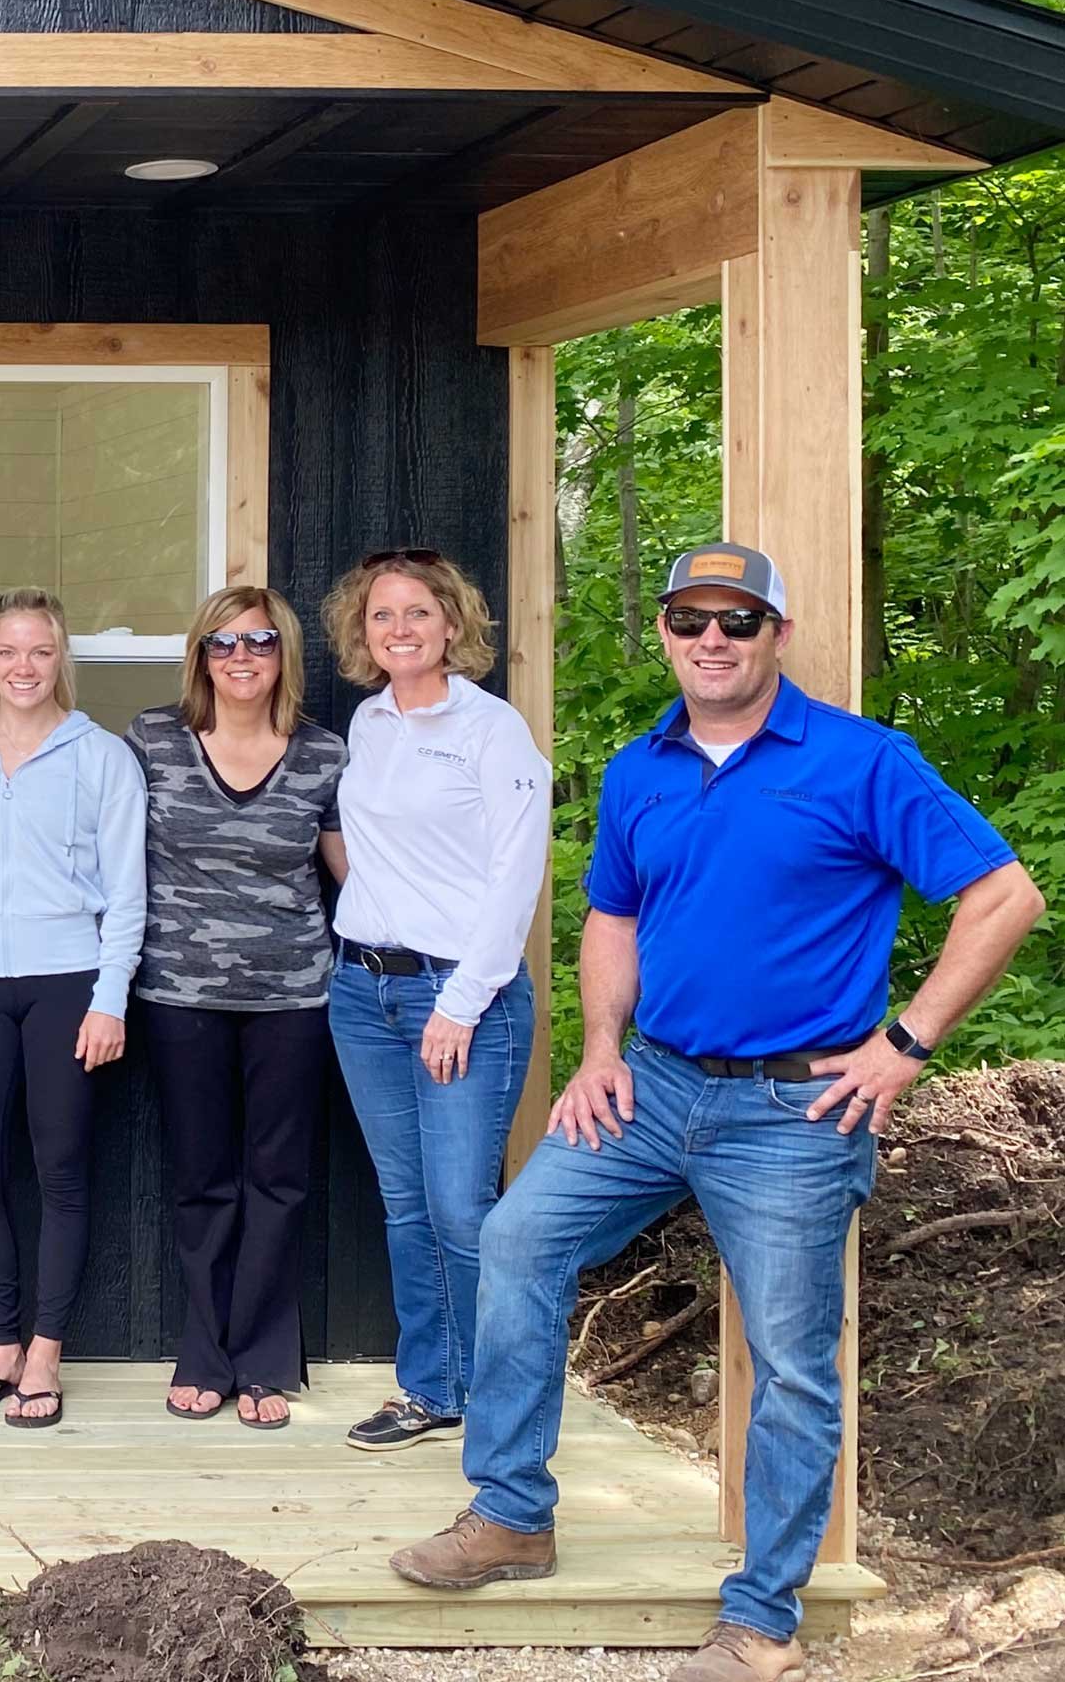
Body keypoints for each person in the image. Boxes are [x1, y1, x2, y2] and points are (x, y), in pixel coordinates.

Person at [391, 544, 1043, 1682]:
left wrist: (902, 1047)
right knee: (514, 1239)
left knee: (790, 1361)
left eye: (735, 620)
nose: (710, 638)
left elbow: (1003, 894)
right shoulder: (641, 765)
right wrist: (595, 1050)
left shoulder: (858, 760)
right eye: (688, 617)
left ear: (772, 633)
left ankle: (759, 1619)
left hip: (794, 1112)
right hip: (651, 1085)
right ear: (662, 631)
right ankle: (510, 1514)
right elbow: (610, 919)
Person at [321, 546, 549, 1454]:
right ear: (362, 633)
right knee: (406, 1204)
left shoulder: (493, 732)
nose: (400, 629)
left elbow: (515, 877)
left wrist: (460, 1001)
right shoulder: (369, 723)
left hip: (461, 999)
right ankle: (432, 1390)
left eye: (418, 612)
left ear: (453, 624)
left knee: (462, 1210)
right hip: (361, 992)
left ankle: (498, 1405)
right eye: (383, 615)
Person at [0, 586, 147, 1432]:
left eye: (39, 652)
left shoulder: (101, 758)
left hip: (69, 981)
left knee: (61, 1173)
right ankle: (1, 1342)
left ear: (61, 660)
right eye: (8, 651)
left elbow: (128, 893)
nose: (23, 667)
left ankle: (46, 1351)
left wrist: (109, 998)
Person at [128, 586, 347, 1432]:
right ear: (201, 656)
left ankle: (262, 1357)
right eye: (222, 644)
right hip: (179, 994)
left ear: (282, 653)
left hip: (293, 993)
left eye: (258, 641)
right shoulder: (152, 741)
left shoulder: (324, 753)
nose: (241, 657)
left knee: (280, 1180)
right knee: (202, 1180)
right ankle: (205, 1349)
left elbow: (353, 876)